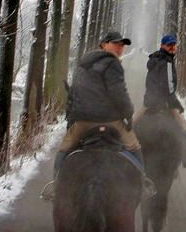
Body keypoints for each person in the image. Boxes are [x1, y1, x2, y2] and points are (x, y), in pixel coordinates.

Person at [54, 31, 154, 198]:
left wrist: (73, 116)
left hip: (82, 120)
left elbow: (74, 92)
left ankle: (56, 185)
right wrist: (128, 114)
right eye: (115, 44)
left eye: (122, 45)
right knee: (134, 146)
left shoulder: (83, 62)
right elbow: (119, 93)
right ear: (103, 44)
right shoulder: (113, 64)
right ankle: (143, 183)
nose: (119, 48)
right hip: (109, 120)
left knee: (64, 148)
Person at [135, 34, 186, 167]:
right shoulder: (167, 61)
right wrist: (175, 103)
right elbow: (169, 87)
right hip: (164, 102)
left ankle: (123, 143)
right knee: (182, 125)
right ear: (162, 45)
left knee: (133, 121)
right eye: (169, 45)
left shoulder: (155, 59)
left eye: (174, 45)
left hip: (149, 100)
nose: (172, 47)